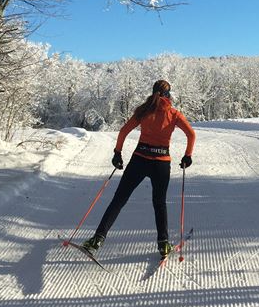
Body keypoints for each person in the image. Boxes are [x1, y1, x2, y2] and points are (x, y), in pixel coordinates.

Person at [82, 80, 195, 259]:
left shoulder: (143, 110)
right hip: (161, 163)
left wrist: (117, 153)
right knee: (159, 203)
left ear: (153, 92)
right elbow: (191, 134)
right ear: (168, 95)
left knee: (119, 199)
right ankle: (163, 244)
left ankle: (97, 239)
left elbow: (123, 131)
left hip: (139, 161)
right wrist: (187, 156)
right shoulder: (174, 114)